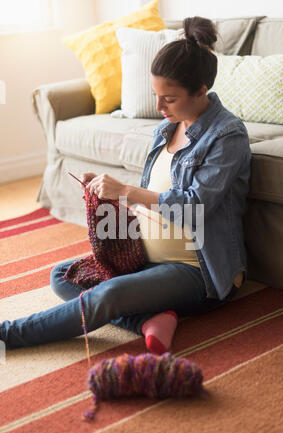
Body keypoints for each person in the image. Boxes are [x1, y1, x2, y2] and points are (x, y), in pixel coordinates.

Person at [0, 16, 251, 352]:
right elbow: (157, 191)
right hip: (143, 257)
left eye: (170, 99)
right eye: (156, 95)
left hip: (195, 269)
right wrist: (110, 189)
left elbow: (193, 208)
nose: (158, 107)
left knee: (108, 294)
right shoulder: (167, 128)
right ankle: (147, 320)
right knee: (62, 276)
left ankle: (9, 334)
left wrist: (125, 191)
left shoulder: (227, 136)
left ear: (201, 91)